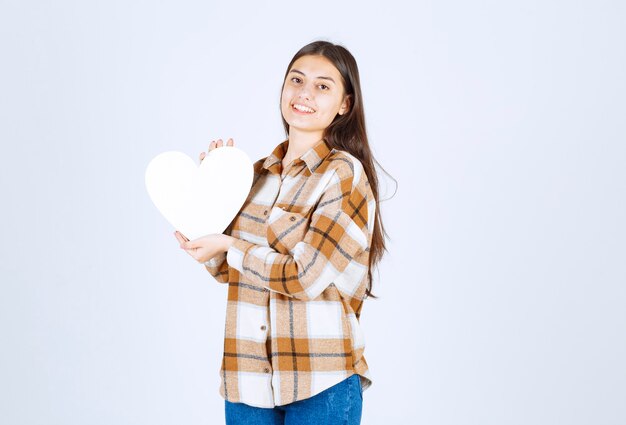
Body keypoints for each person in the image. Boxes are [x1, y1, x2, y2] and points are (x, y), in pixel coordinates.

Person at [174, 40, 390, 425]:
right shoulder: (255, 175)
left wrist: (229, 243)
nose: (304, 93)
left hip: (320, 382)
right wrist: (206, 210)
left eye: (323, 86)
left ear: (344, 104)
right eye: (297, 80)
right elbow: (228, 269)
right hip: (246, 380)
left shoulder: (343, 174)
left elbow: (305, 277)